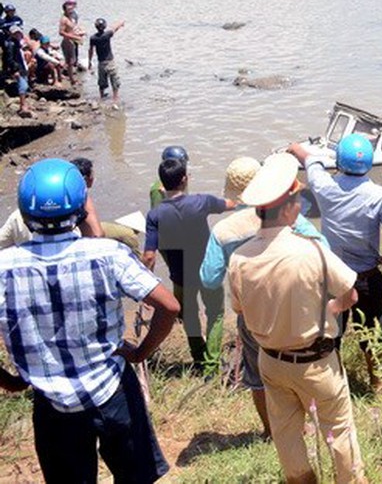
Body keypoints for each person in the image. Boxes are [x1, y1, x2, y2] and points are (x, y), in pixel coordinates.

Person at [0, 158, 179, 483]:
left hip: (52, 404)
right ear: (81, 209)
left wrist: (10, 381)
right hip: (112, 390)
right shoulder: (107, 254)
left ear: (25, 214)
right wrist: (140, 352)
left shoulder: (4, 265)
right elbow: (168, 306)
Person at [228, 153, 365, 484]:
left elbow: (240, 310)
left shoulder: (240, 259)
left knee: (287, 437)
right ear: (288, 207)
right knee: (339, 433)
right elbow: (350, 293)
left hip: (271, 363)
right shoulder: (311, 250)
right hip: (316, 362)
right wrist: (331, 308)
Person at [200, 156, 330, 437]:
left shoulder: (223, 232)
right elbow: (324, 252)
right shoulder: (291, 219)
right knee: (299, 364)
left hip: (251, 314)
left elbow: (208, 279)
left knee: (257, 376)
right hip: (294, 306)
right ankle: (309, 424)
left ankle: (271, 430)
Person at [288, 134, 382, 393]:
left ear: (340, 162)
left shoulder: (325, 187)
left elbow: (310, 160)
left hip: (333, 277)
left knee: (332, 333)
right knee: (372, 332)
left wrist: (294, 148)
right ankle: (377, 381)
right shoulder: (380, 196)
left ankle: (335, 382)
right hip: (366, 277)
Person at [143, 156, 236, 372]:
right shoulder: (201, 202)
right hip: (207, 272)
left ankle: (198, 358)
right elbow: (232, 204)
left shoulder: (155, 215)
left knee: (190, 317)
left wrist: (145, 290)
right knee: (215, 314)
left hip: (180, 277)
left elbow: (149, 256)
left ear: (161, 183)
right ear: (185, 179)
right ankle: (211, 365)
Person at [88, 17, 126, 104]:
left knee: (102, 82)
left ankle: (101, 97)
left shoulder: (93, 38)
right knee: (114, 81)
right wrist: (121, 23)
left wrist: (89, 61)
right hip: (110, 62)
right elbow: (114, 28)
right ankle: (115, 99)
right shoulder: (107, 35)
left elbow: (90, 50)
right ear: (104, 26)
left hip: (101, 63)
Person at [59, 0, 85, 86]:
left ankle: (71, 79)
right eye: (69, 9)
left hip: (71, 41)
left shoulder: (71, 18)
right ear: (65, 10)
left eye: (72, 9)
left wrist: (79, 33)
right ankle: (66, 77)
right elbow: (61, 32)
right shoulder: (64, 19)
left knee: (72, 61)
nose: (71, 11)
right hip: (67, 42)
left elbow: (73, 27)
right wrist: (75, 37)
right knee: (69, 62)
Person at [6, 25, 31, 117]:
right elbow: (10, 59)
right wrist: (15, 70)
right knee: (23, 86)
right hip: (18, 68)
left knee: (25, 85)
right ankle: (22, 106)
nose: (17, 34)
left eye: (19, 32)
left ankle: (24, 104)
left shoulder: (17, 43)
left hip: (22, 67)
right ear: (11, 34)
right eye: (15, 33)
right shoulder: (11, 44)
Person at [0, 4, 24, 76]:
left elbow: (20, 29)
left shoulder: (18, 19)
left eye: (13, 11)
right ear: (6, 12)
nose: (12, 12)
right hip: (8, 40)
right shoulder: (3, 21)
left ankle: (20, 69)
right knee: (8, 52)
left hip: (17, 39)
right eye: (10, 11)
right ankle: (7, 70)